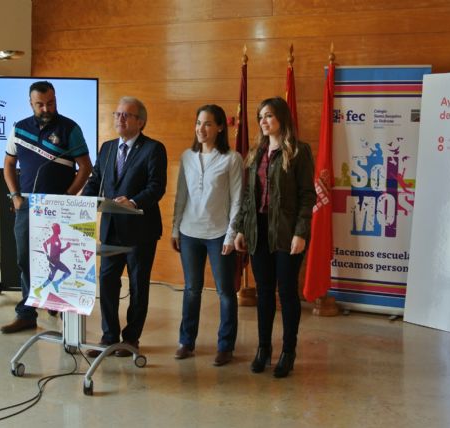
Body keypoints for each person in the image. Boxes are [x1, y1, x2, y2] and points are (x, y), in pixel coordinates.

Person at [1, 81, 92, 334]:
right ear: (30, 103)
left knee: (58, 260)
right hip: (27, 205)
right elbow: (9, 164)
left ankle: (61, 307)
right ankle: (27, 313)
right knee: (25, 259)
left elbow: (85, 167)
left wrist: (67, 197)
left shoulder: (70, 128)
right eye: (40, 104)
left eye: (50, 103)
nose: (46, 109)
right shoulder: (19, 128)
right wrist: (15, 196)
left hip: (58, 208)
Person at [233, 97, 315, 378]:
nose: (263, 121)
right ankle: (263, 349)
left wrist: (301, 233)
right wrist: (241, 228)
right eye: (260, 117)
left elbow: (307, 196)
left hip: (286, 232)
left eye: (268, 115)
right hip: (258, 230)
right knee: (264, 292)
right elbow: (248, 196)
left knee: (287, 292)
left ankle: (288, 352)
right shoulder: (256, 152)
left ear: (281, 117)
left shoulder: (299, 151)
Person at [83, 96, 167, 357]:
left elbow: (156, 186)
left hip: (140, 231)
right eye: (117, 114)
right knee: (107, 282)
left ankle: (131, 339)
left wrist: (133, 201)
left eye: (126, 115)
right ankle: (109, 337)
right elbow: (95, 180)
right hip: (110, 229)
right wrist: (82, 202)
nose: (119, 119)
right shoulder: (107, 148)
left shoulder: (153, 149)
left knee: (138, 286)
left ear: (140, 122)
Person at [171, 104, 242, 366]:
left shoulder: (231, 159)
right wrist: (175, 228)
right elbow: (181, 195)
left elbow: (237, 200)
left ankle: (225, 346)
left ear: (220, 127)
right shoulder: (187, 156)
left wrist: (230, 235)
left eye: (208, 123)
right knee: (192, 289)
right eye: (198, 123)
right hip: (189, 232)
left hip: (218, 233)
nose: (201, 128)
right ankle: (186, 342)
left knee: (225, 292)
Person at [33, 223, 71, 298]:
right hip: (54, 262)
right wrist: (47, 255)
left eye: (59, 228)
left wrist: (67, 247)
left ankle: (39, 289)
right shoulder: (53, 238)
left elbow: (59, 251)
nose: (60, 229)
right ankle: (56, 283)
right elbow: (44, 244)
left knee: (50, 278)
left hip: (55, 262)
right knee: (67, 273)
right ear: (55, 229)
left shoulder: (56, 238)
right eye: (58, 228)